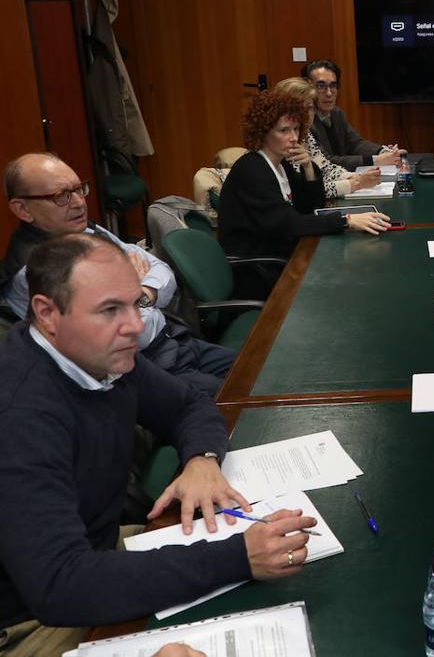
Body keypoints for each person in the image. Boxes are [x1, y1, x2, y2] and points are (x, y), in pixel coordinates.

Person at [0, 234, 316, 655]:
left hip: (94, 550)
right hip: (30, 621)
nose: (134, 325)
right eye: (110, 310)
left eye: (137, 304)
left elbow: (189, 407)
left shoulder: (99, 353)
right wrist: (238, 558)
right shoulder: (20, 415)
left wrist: (201, 460)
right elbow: (60, 584)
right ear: (47, 313)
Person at [2, 153, 233, 397]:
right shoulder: (33, 271)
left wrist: (143, 293)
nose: (80, 203)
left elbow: (163, 270)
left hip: (175, 340)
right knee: (242, 400)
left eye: (79, 189)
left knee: (260, 370)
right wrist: (137, 287)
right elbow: (133, 332)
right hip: (142, 370)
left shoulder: (87, 230)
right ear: (23, 209)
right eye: (62, 196)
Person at [217, 84, 391, 274]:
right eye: (283, 131)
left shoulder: (281, 163)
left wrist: (308, 167)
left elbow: (310, 206)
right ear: (263, 131)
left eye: (296, 129)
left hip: (284, 254)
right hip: (260, 268)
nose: (293, 137)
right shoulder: (252, 170)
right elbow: (288, 223)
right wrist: (346, 221)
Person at [274, 77, 382, 201]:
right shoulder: (283, 143)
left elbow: (326, 168)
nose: (305, 113)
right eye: (298, 107)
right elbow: (305, 193)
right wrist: (355, 184)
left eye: (309, 107)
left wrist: (355, 177)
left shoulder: (305, 135)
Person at [302, 59, 405, 170]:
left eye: (333, 86)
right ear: (308, 88)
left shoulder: (337, 113)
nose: (329, 93)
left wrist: (383, 152)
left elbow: (355, 143)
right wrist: (376, 160)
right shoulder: (305, 121)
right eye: (320, 86)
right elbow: (326, 162)